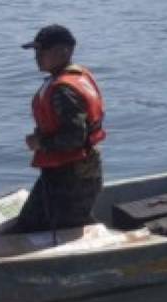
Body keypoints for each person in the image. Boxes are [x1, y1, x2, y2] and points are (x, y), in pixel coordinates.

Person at [15, 25, 106, 234]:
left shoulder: (63, 90)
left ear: (64, 52)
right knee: (33, 223)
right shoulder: (77, 76)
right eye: (36, 51)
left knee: (58, 228)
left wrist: (40, 143)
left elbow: (74, 137)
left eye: (42, 51)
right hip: (70, 170)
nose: (37, 56)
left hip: (72, 176)